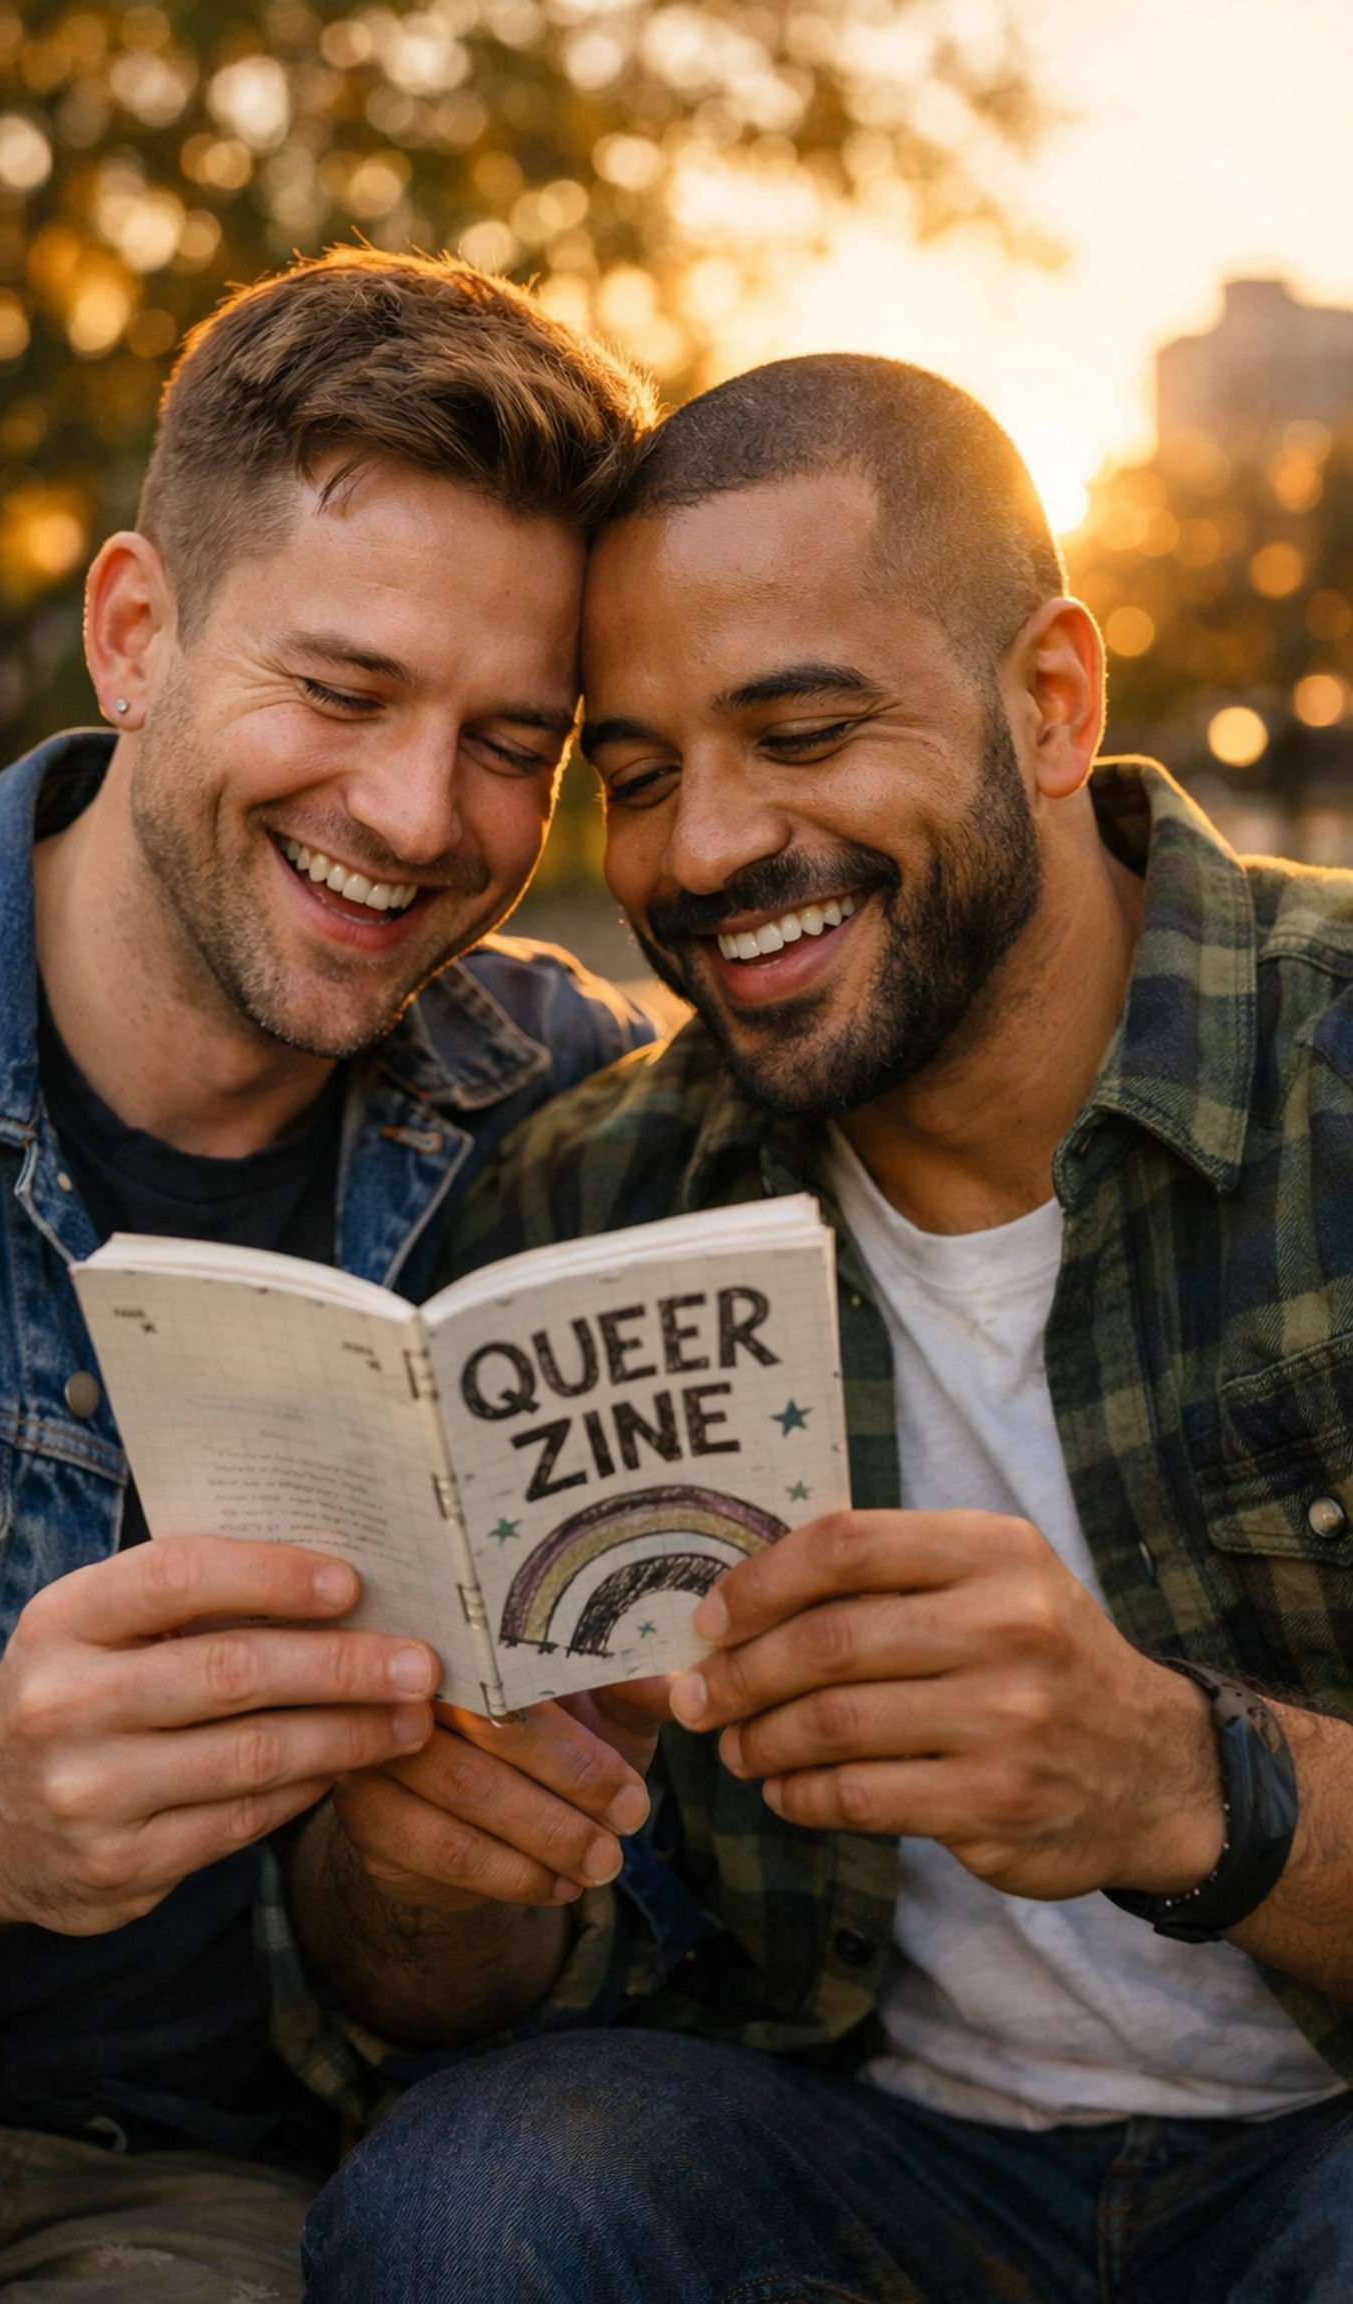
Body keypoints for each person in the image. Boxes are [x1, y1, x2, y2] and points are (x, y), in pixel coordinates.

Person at [299, 354, 1353, 2303]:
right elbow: (416, 1995)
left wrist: (1186, 1785)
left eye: (801, 732)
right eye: (636, 776)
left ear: (1049, 700)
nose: (702, 854)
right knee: (475, 2202)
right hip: (853, 2162)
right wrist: (418, 1866)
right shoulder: (585, 1206)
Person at [0, 248, 663, 2300]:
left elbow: (478, 1994)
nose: (412, 814)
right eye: (346, 690)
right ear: (135, 632)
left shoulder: (585, 1130)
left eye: (508, 742)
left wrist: (466, 1881)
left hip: (187, 2208)